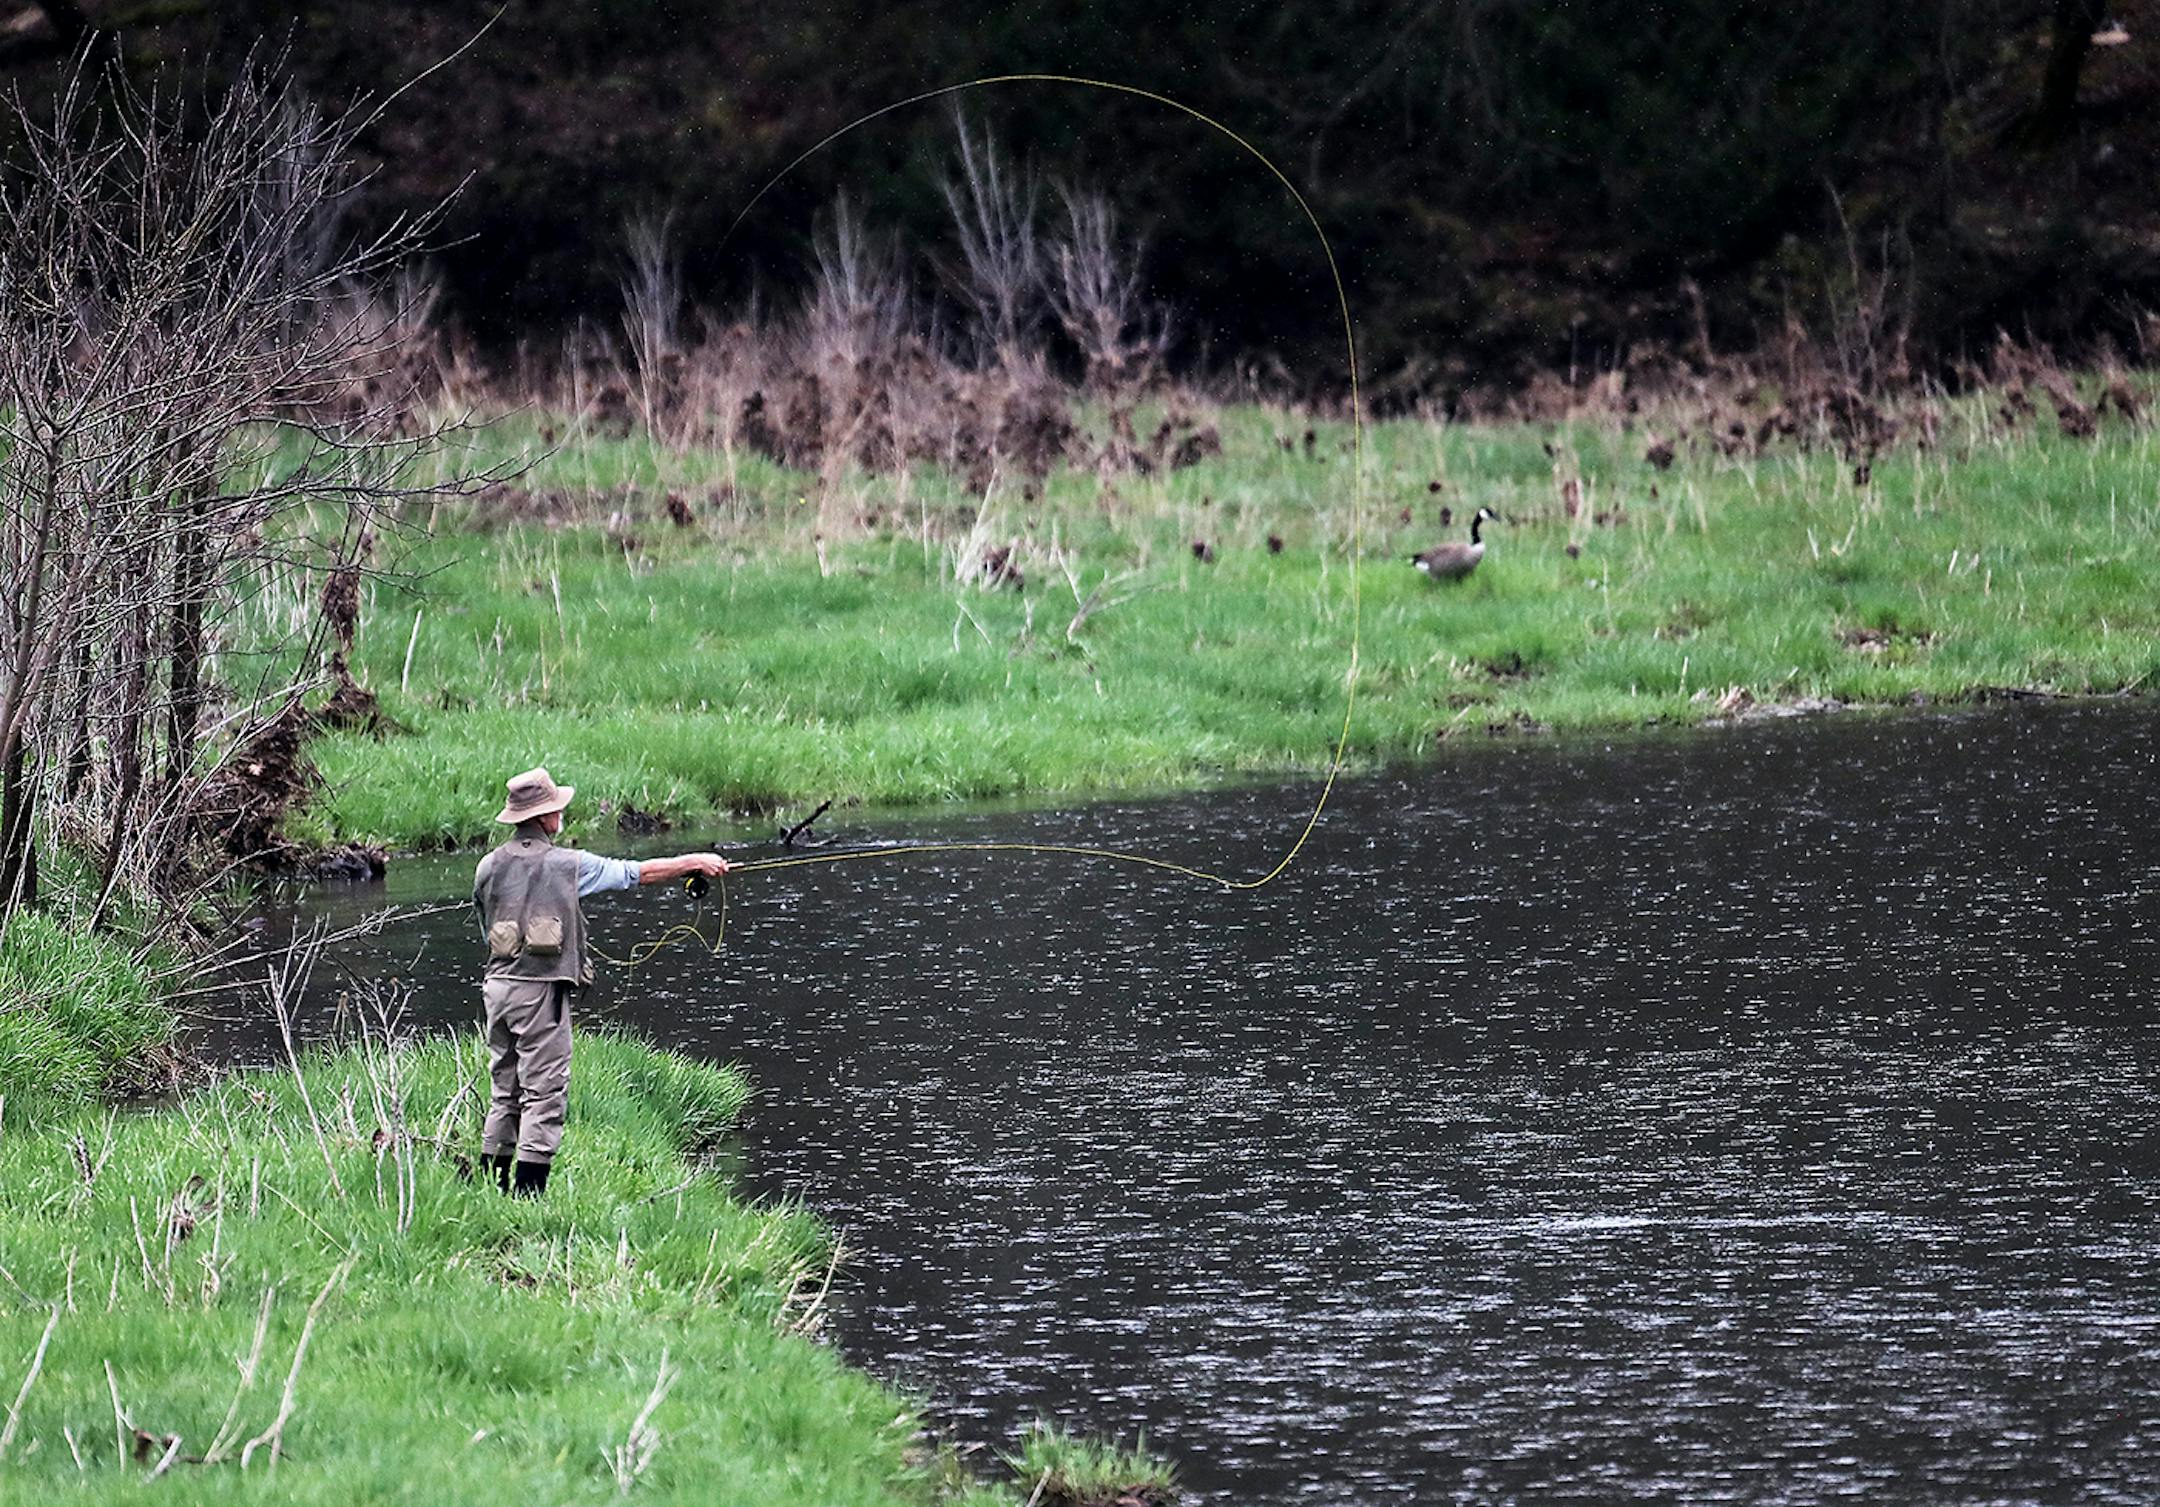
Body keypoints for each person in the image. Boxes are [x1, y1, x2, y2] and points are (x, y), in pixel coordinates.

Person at [472, 766, 729, 1197]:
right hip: (542, 993)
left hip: (497, 990)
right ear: (547, 817)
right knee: (544, 1094)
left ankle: (490, 1188)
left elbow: (486, 926)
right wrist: (693, 862)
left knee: (506, 1091)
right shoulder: (569, 865)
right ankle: (528, 1198)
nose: (562, 816)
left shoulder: (487, 865)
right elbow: (636, 873)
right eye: (559, 809)